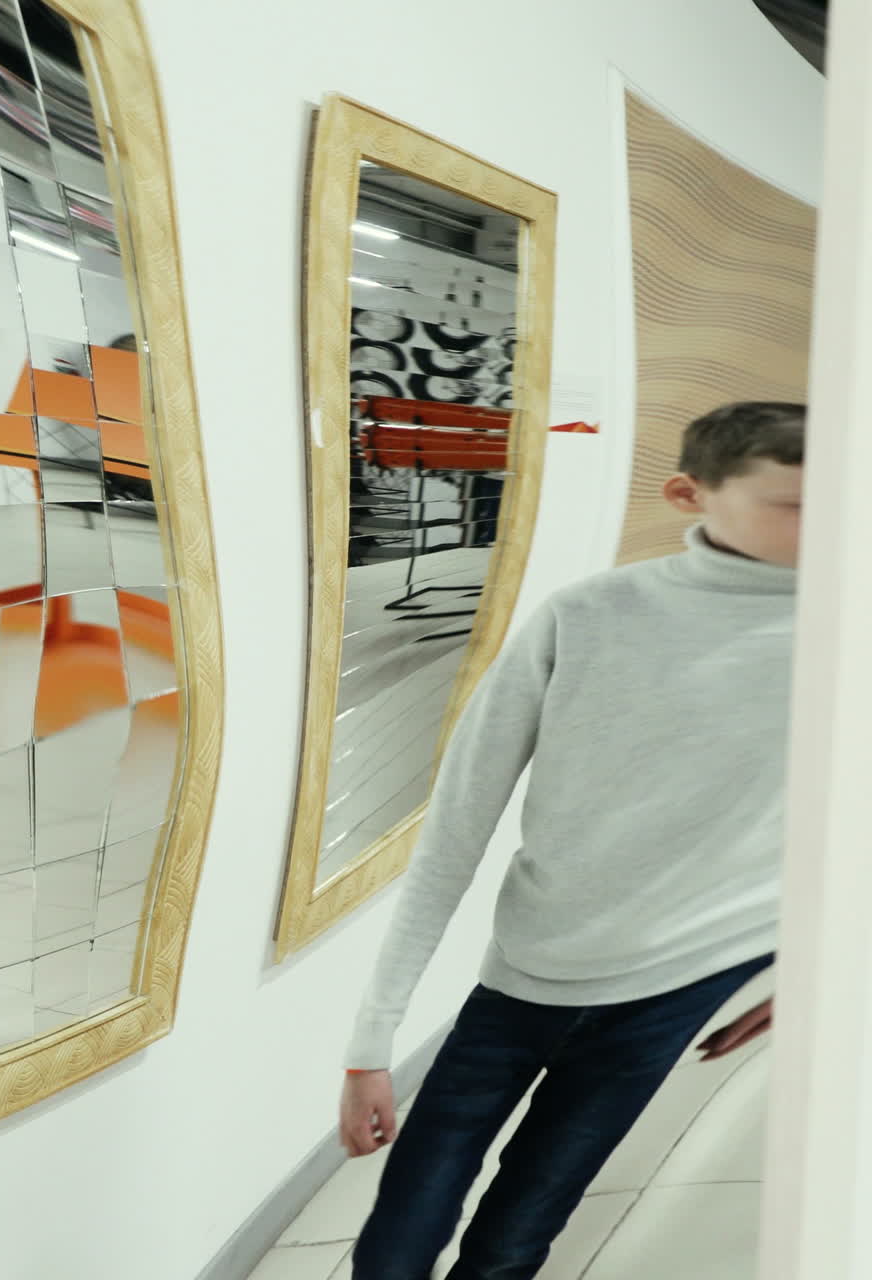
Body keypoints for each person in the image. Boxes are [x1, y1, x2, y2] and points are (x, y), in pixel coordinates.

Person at [340, 402, 804, 1280]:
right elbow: (454, 832)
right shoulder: (588, 615)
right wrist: (373, 1041)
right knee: (409, 1214)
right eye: (798, 507)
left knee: (527, 1224)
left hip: (675, 985)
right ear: (688, 494)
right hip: (529, 970)